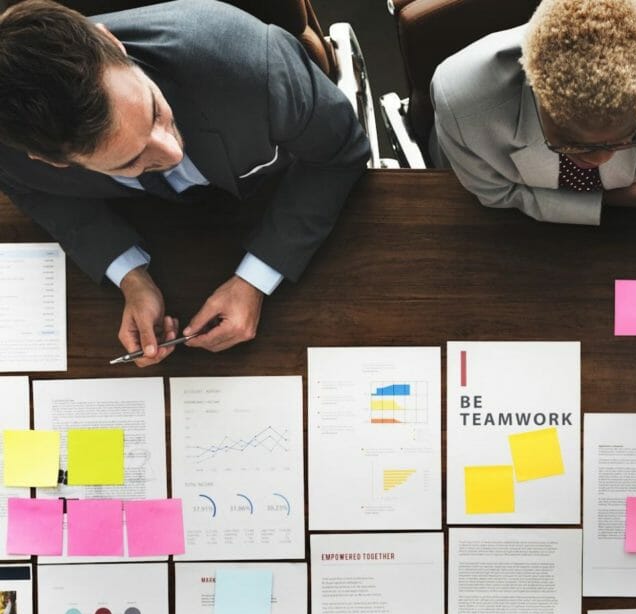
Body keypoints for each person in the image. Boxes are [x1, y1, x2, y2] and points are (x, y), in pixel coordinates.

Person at [431, 0, 636, 498]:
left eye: (627, 139)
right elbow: (496, 194)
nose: (599, 161)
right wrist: (626, 199)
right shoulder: (463, 99)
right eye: (572, 145)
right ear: (533, 87)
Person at [0, 0, 369, 366]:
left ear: (111, 43)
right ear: (50, 161)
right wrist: (130, 276)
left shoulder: (251, 63)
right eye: (130, 161)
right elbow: (36, 191)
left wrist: (256, 279)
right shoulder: (12, 158)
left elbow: (339, 151)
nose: (173, 152)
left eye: (154, 112)